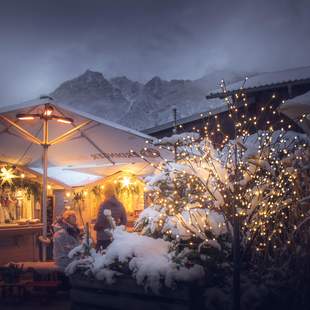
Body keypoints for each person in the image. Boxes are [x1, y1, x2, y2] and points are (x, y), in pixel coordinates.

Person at [94, 183, 127, 251]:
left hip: (103, 237)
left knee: (101, 258)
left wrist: (96, 227)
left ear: (105, 193)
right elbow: (124, 221)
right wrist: (116, 228)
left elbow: (100, 222)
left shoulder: (103, 205)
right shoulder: (120, 205)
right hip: (115, 237)